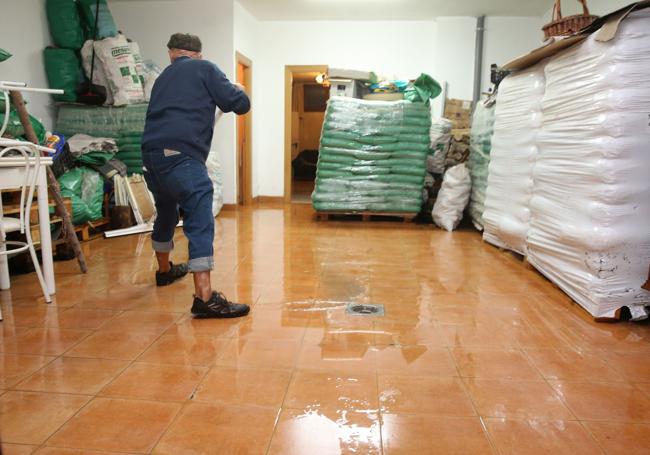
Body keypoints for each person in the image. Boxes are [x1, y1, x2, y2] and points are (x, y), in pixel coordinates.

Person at [141, 33, 250, 318]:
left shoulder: (162, 78)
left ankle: (164, 271)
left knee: (166, 211)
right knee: (199, 217)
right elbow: (239, 104)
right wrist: (237, 88)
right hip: (181, 156)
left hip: (151, 157)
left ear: (171, 54)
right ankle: (205, 297)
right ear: (198, 54)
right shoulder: (205, 68)